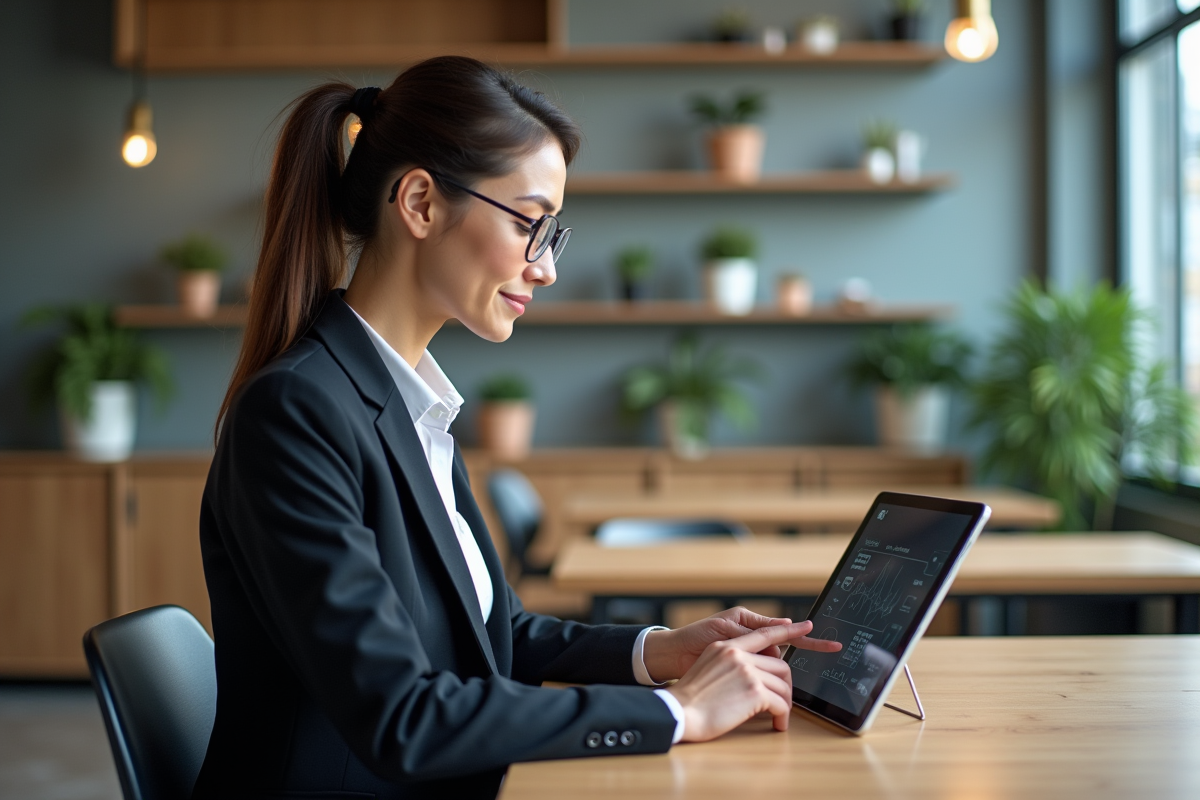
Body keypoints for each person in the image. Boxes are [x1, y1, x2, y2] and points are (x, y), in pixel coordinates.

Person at [193, 56, 841, 800]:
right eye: (529, 223)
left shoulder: (409, 404)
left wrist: (663, 651)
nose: (546, 268)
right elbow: (401, 716)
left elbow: (492, 631)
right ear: (420, 203)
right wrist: (679, 712)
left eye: (550, 233)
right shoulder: (297, 412)